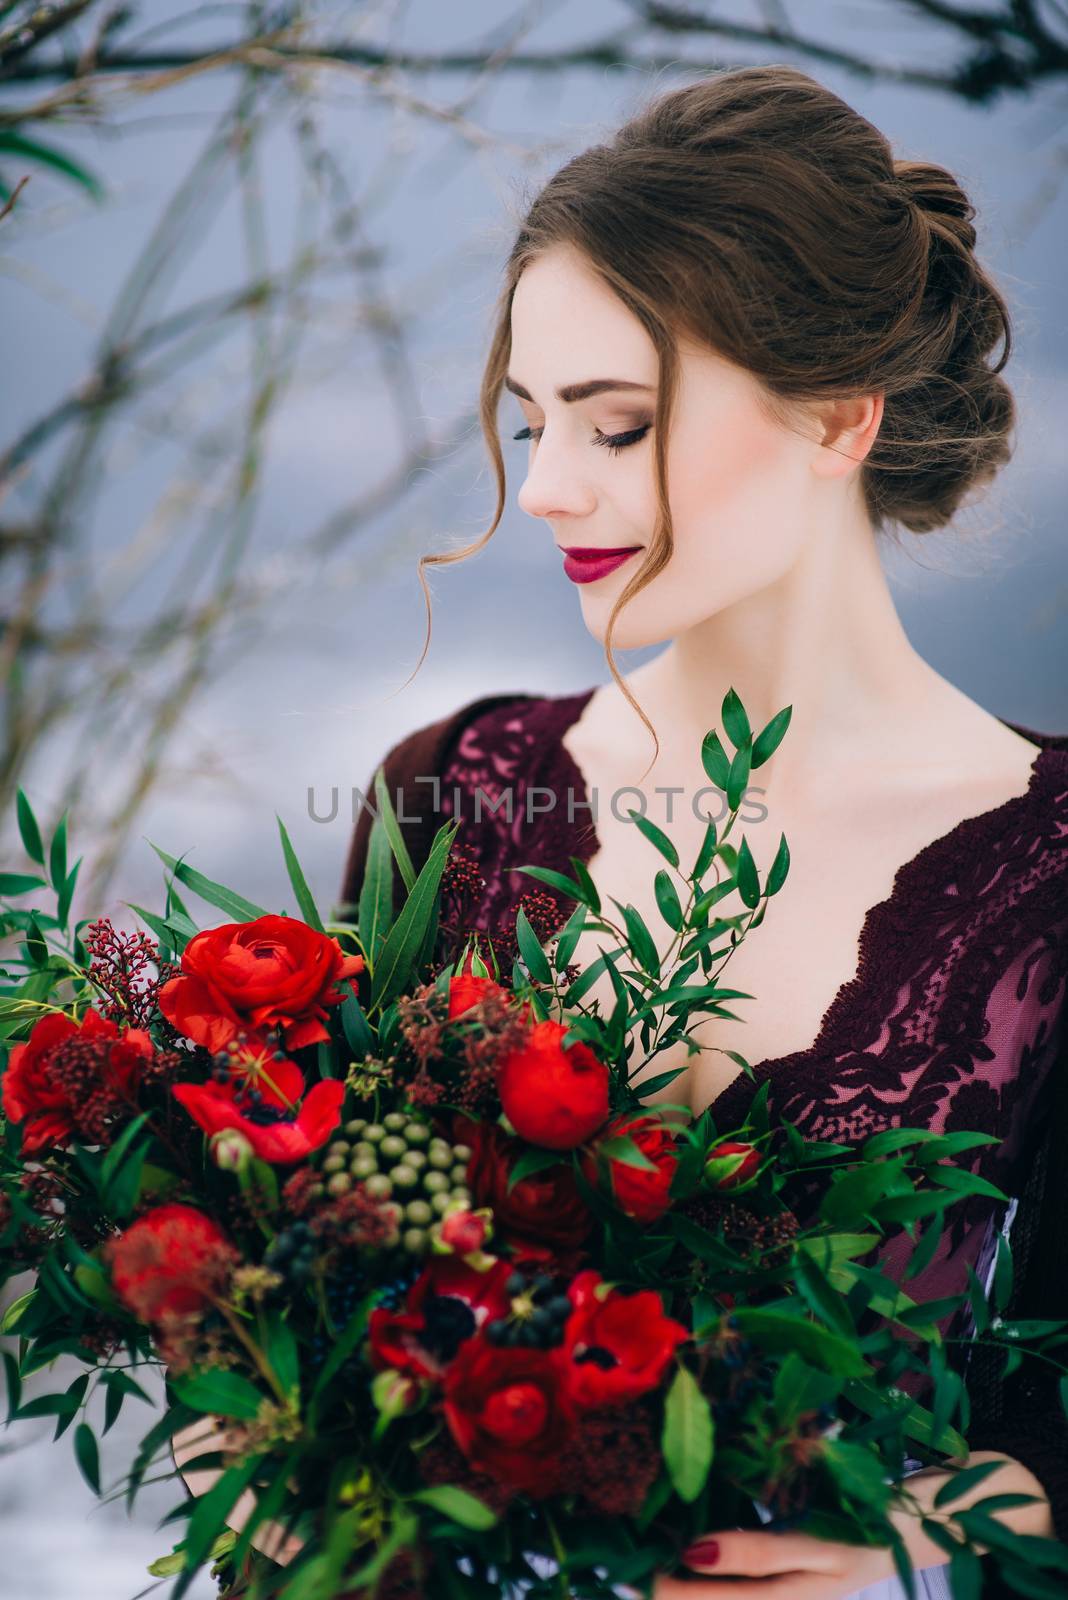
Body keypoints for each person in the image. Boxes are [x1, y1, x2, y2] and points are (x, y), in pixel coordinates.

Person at [337, 64, 1068, 1600]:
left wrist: (932, 1544)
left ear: (840, 417)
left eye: (620, 426)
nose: (544, 492)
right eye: (533, 424)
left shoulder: (1053, 873)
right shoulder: (447, 797)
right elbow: (336, 1286)